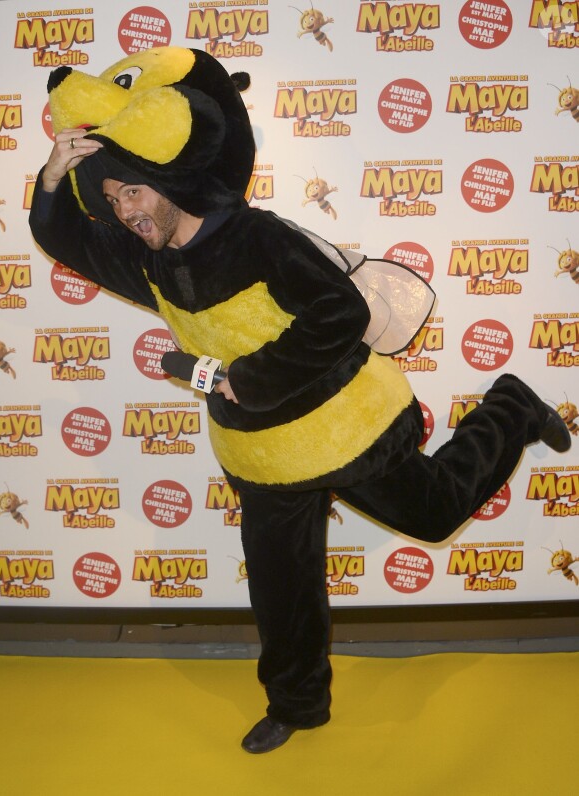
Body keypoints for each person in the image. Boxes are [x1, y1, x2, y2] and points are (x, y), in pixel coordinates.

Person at [31, 120, 570, 756]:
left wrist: (253, 380)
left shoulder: (256, 236)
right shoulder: (142, 256)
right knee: (282, 592)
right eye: (115, 199)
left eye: (136, 193)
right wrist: (51, 178)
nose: (127, 211)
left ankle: (510, 407)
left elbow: (343, 312)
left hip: (346, 426)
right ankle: (296, 706)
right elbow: (64, 236)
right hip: (262, 455)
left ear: (168, 180)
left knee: (435, 513)